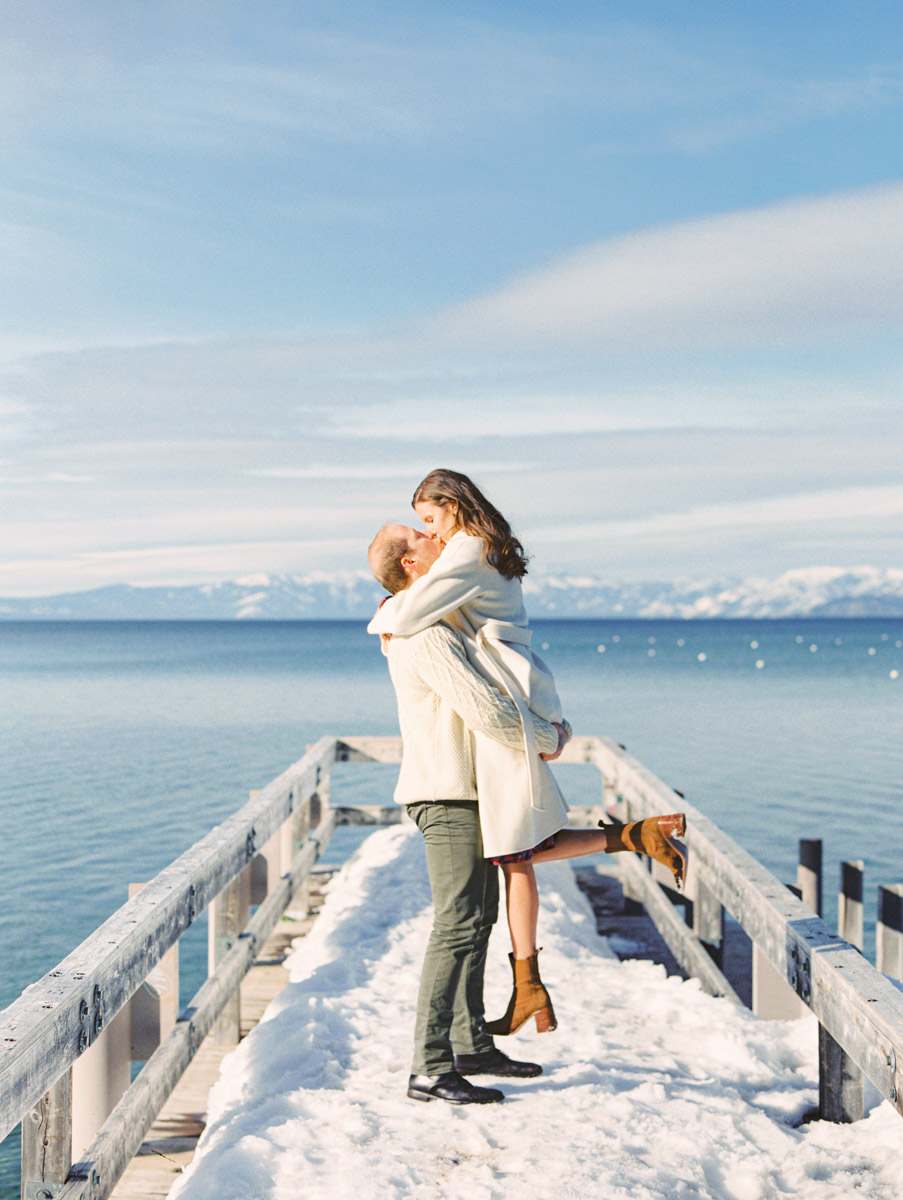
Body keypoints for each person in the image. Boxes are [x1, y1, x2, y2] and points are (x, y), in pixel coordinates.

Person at [368, 470, 687, 1038]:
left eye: (428, 519)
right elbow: (424, 611)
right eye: (419, 531)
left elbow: (414, 615)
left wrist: (384, 617)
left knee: (508, 860)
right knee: (512, 855)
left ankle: (518, 994)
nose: (428, 532)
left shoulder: (465, 550)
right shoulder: (474, 550)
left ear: (452, 504)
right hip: (517, 688)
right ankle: (523, 989)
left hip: (512, 693)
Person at [367, 522, 559, 1104]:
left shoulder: (431, 619)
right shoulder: (423, 631)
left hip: (464, 791)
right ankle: (429, 1065)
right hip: (446, 794)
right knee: (457, 925)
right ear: (409, 564)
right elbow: (484, 708)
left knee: (479, 919)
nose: (437, 536)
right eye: (421, 535)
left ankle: (470, 1044)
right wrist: (550, 735)